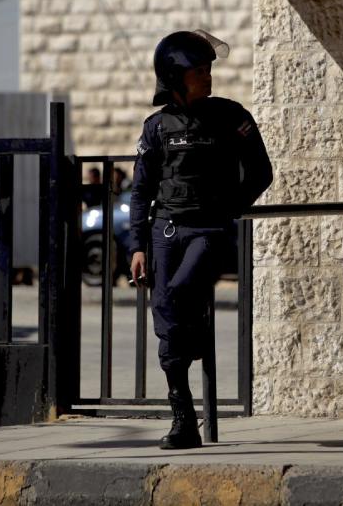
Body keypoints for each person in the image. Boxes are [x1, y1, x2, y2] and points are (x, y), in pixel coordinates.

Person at [129, 30, 273, 450]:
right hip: (165, 231)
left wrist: (229, 207)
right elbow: (141, 191)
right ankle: (183, 419)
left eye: (209, 69)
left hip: (209, 231)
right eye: (199, 70)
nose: (208, 77)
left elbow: (261, 171)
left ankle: (185, 341)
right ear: (175, 75)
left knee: (176, 298)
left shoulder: (230, 116)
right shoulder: (155, 128)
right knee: (164, 313)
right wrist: (138, 245)